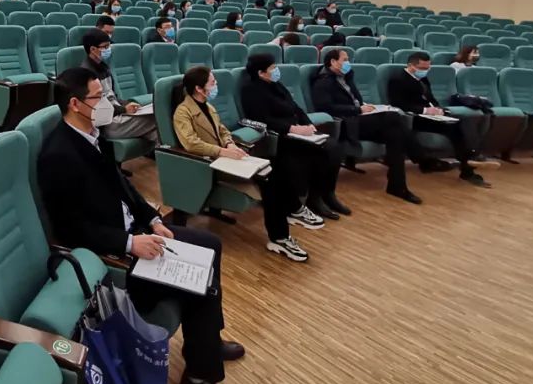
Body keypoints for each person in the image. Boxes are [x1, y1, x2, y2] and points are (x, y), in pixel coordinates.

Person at [39, 68, 246, 384]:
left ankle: (207, 342)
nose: (107, 103)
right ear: (75, 104)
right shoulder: (59, 154)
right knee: (197, 277)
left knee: (209, 246)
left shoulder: (93, 135)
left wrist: (151, 219)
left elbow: (123, 187)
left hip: (136, 232)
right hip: (114, 257)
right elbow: (70, 228)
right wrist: (130, 243)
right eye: (98, 97)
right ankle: (199, 377)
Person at [174, 66, 321, 256]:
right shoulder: (183, 111)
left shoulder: (208, 106)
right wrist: (222, 151)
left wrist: (229, 143)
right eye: (212, 82)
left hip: (227, 157)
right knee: (269, 182)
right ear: (198, 89)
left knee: (277, 169)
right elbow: (191, 143)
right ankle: (280, 238)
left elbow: (222, 130)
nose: (216, 85)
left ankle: (293, 212)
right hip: (210, 164)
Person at [239, 53, 348, 222]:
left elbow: (295, 107)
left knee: (333, 148)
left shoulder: (276, 85)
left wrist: (309, 125)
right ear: (261, 73)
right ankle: (311, 201)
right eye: (273, 68)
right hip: (280, 136)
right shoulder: (251, 90)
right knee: (319, 153)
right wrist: (293, 128)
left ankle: (326, 194)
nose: (277, 70)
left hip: (297, 131)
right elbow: (263, 119)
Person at [311, 48, 423, 204]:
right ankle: (418, 153)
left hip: (360, 120)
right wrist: (358, 110)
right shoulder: (323, 82)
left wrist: (367, 107)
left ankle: (397, 185)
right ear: (333, 62)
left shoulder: (347, 77)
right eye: (345, 59)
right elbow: (326, 107)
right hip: (346, 124)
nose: (348, 63)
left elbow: (356, 100)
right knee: (393, 117)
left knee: (395, 134)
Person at [387, 52, 497, 187]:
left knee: (463, 123)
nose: (426, 70)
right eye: (422, 68)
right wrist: (425, 110)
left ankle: (469, 162)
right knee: (455, 127)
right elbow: (398, 104)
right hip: (414, 117)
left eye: (428, 67)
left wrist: (438, 109)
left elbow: (431, 98)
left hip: (433, 116)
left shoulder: (423, 79)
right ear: (411, 65)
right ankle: (469, 162)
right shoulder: (397, 79)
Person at [80, 30, 157, 143]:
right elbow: (97, 108)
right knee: (158, 118)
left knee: (156, 133)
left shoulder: (103, 67)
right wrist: (124, 109)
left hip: (117, 114)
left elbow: (113, 97)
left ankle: (166, 153)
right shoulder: (87, 74)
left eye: (109, 46)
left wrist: (127, 104)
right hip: (108, 123)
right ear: (92, 49)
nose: (109, 49)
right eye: (105, 47)